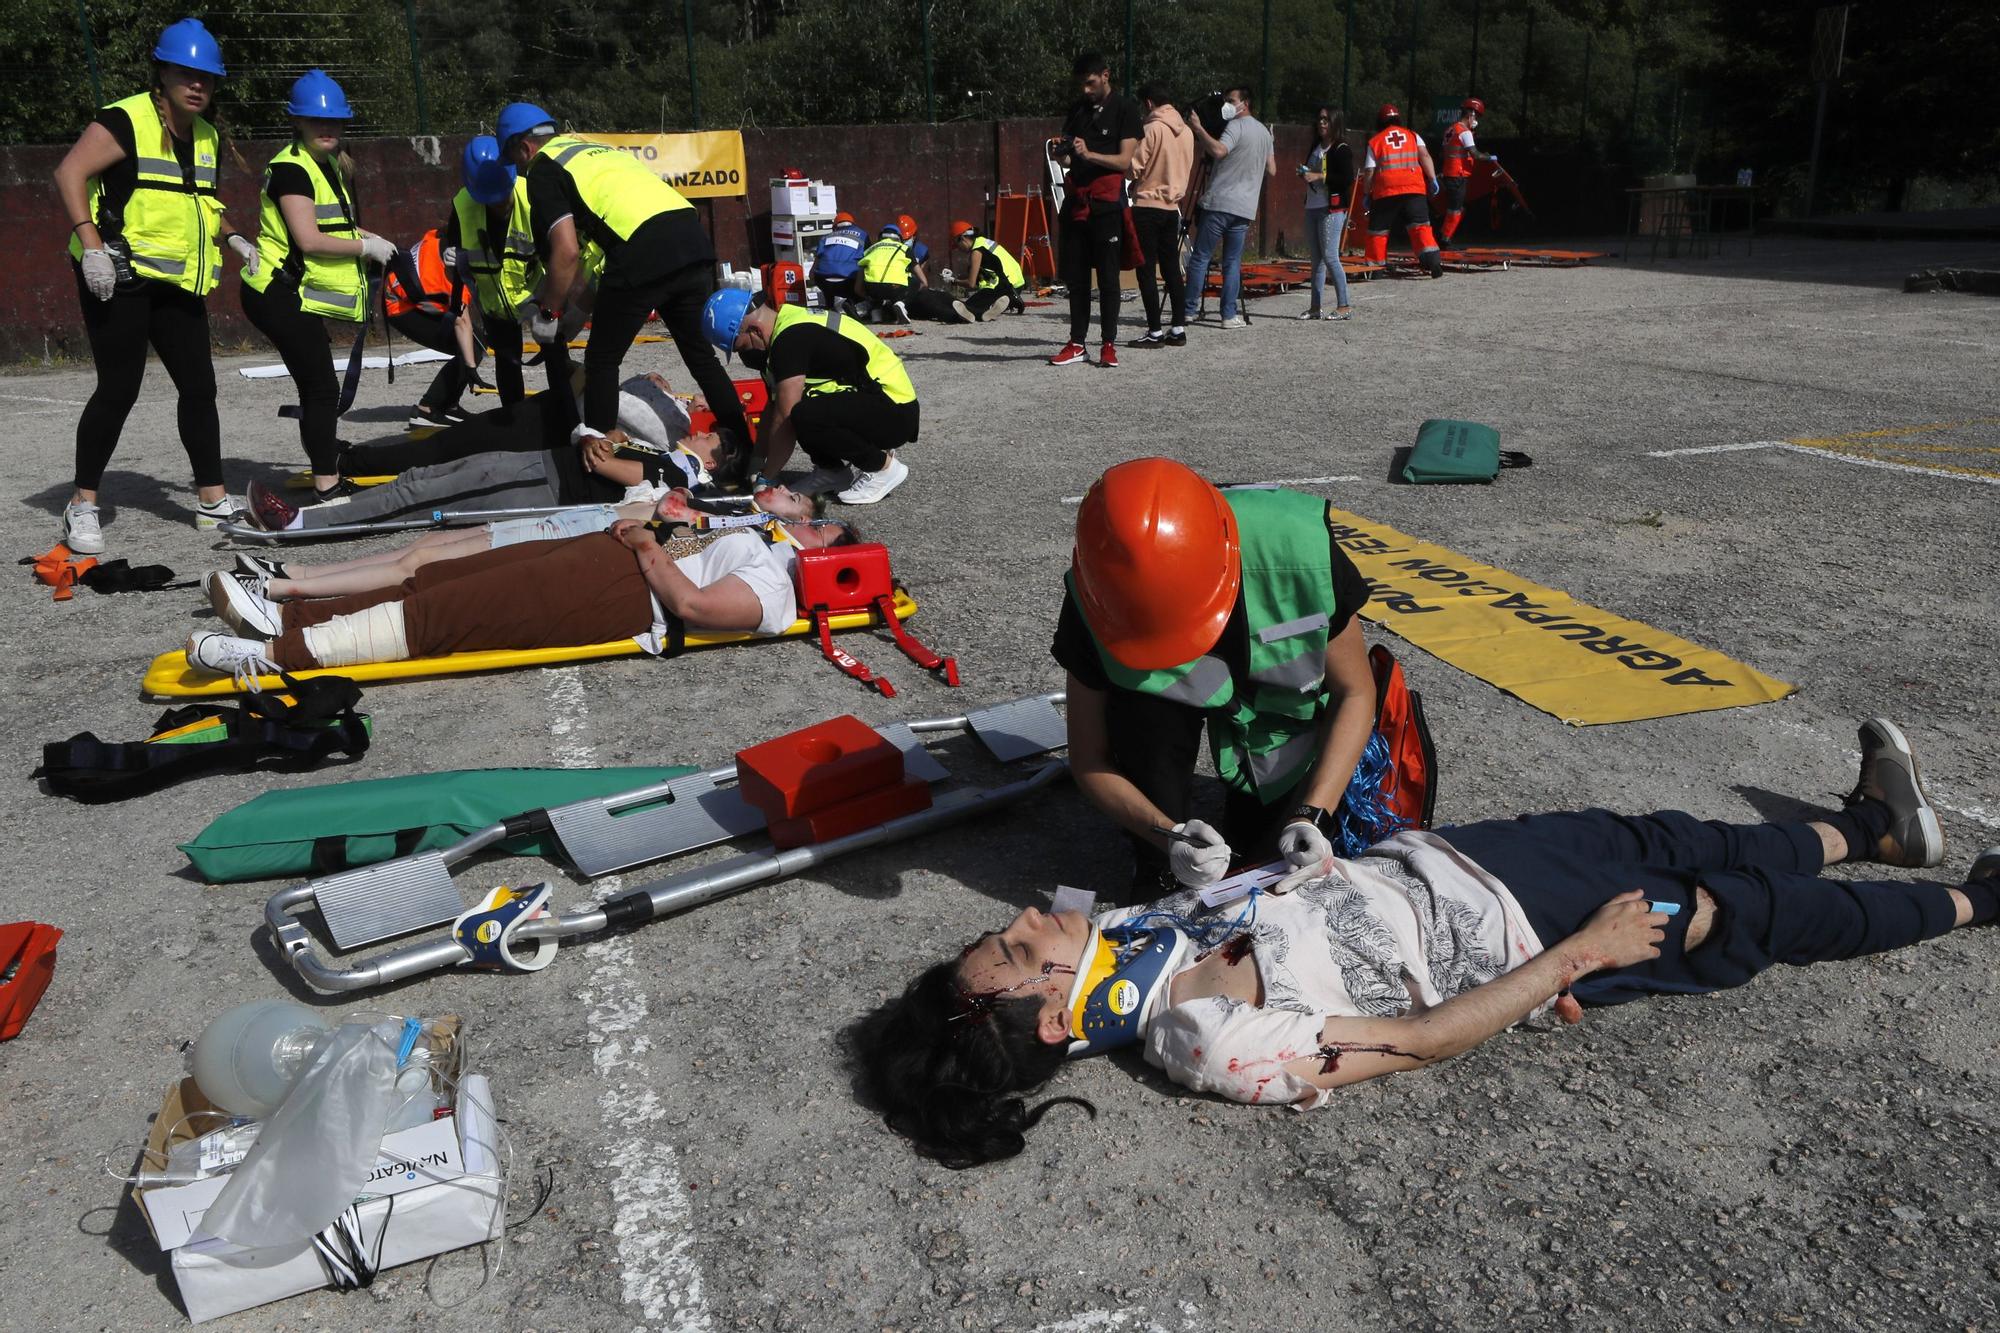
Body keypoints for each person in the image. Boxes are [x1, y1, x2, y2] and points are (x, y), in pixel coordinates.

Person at [854, 720, 1994, 1168]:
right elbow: (1420, 1037)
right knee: (1749, 918)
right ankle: (1978, 905)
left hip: (1457, 859)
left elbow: (1263, 902)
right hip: (1525, 930)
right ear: (1054, 1014)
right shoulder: (1205, 1041)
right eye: (1010, 949)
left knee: (1677, 834)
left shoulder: (1120, 935)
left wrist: (1279, 856)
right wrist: (1573, 958)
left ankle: (1871, 828)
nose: (1018, 922)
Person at [1053, 458, 1378, 903]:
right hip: (1155, 726)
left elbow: (1355, 692)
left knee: (1270, 868)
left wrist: (1312, 814)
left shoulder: (1301, 551)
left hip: (1281, 732)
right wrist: (1167, 836)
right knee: (1176, 871)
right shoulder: (1093, 598)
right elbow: (1089, 759)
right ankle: (1159, 853)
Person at [186, 514, 860, 682]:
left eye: (816, 530)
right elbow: (697, 561)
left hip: (620, 594)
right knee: (440, 581)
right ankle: (288, 610)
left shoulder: (776, 589)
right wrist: (653, 534)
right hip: (612, 559)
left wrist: (649, 547)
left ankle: (277, 652)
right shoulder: (767, 552)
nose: (803, 529)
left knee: (445, 617)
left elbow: (698, 608)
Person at [52, 18, 254, 551]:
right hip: (117, 274)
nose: (197, 85)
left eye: (207, 78)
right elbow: (69, 174)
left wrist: (234, 238)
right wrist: (89, 244)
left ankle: (212, 501)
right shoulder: (126, 119)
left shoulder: (206, 135)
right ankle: (83, 504)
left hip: (176, 280)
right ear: (162, 74)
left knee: (200, 386)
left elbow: (200, 203)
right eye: (186, 74)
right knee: (120, 387)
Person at [498, 103, 749, 444]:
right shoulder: (593, 152)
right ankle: (743, 450)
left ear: (524, 147)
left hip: (643, 250)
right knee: (701, 357)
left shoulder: (544, 168)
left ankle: (599, 461)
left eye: (515, 163)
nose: (520, 173)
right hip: (690, 239)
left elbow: (567, 252)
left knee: (602, 361)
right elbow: (591, 264)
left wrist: (547, 313)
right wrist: (575, 314)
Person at [211, 482, 818, 618]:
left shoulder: (751, 526)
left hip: (578, 537)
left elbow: (670, 524)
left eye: (798, 504)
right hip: (579, 521)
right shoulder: (737, 506)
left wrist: (670, 511)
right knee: (425, 549)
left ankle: (284, 589)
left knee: (422, 566)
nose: (787, 494)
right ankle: (288, 570)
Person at [239, 70, 399, 502]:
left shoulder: (323, 165)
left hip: (290, 289)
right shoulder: (292, 169)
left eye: (335, 121)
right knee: (322, 387)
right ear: (298, 122)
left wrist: (374, 241)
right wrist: (365, 247)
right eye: (317, 120)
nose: (327, 128)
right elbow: (309, 239)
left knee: (316, 384)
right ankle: (327, 484)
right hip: (275, 290)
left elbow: (335, 225)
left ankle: (324, 461)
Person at [242, 411, 748, 533]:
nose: (699, 430)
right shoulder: (670, 454)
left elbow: (611, 464)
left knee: (417, 498)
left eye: (708, 437)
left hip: (544, 483)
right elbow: (611, 441)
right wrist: (607, 441)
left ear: (710, 457)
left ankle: (298, 524)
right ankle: (315, 515)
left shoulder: (680, 468)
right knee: (416, 480)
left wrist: (606, 447)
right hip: (541, 465)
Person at [705, 289, 919, 507]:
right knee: (802, 408)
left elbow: (784, 417)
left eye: (741, 347)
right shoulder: (784, 327)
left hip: (895, 410)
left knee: (803, 413)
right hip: (876, 402)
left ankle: (883, 468)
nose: (745, 356)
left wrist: (766, 479)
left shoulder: (790, 341)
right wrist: (757, 461)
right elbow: (773, 407)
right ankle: (832, 472)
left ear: (755, 330)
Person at [332, 370, 701, 477]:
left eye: (712, 435)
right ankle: (349, 459)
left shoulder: (670, 434)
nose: (705, 429)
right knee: (440, 448)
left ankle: (348, 462)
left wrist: (641, 383)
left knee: (438, 452)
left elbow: (607, 389)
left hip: (540, 430)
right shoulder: (673, 413)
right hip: (542, 415)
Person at [1048, 52, 1141, 368]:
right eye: (1081, 85)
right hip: (1077, 203)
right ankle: (1077, 342)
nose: (1086, 91)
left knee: (1108, 277)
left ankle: (1109, 343)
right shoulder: (1078, 110)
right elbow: (1072, 158)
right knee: (1076, 278)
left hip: (1107, 204)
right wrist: (1063, 158)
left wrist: (1089, 153)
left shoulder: (1125, 109)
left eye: (1090, 83)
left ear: (1105, 75)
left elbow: (1125, 162)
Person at [1181, 84, 1276, 332]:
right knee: (1232, 262)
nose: (1227, 105)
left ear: (1245, 103)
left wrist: (1199, 128)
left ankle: (1188, 310)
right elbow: (1272, 169)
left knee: (1201, 257)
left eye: (1231, 100)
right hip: (1244, 207)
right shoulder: (1265, 133)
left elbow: (1219, 150)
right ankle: (1228, 314)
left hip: (1220, 202)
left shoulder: (1234, 126)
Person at [381, 224, 476, 429]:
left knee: (474, 344)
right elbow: (462, 322)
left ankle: (449, 404)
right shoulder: (448, 283)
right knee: (472, 349)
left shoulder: (438, 238)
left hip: (406, 294)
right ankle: (427, 409)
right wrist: (471, 368)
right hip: (401, 309)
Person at [1125, 84, 1194, 348]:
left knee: (1145, 269)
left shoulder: (1152, 129)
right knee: (1171, 269)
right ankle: (1177, 327)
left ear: (1149, 103)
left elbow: (1133, 167)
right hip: (1171, 208)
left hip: (1147, 205)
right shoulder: (1186, 132)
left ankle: (1154, 330)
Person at [1357, 103, 1443, 278]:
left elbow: (1369, 170)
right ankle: (1433, 261)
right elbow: (1425, 156)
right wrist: (1433, 178)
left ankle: (1375, 268)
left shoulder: (1376, 141)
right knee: (1421, 227)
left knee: (1378, 231)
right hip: (1414, 189)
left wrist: (1367, 193)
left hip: (1386, 192)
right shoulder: (1413, 135)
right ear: (1398, 119)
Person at [856, 217, 971, 325]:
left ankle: (967, 309)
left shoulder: (872, 250)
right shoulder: (904, 249)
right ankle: (959, 315)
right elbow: (921, 282)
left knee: (939, 296)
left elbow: (859, 286)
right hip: (904, 294)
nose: (905, 241)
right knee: (930, 304)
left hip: (893, 294)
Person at [1298, 106, 1355, 321]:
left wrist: (1319, 177)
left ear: (1335, 122)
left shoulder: (1341, 148)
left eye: (1326, 119)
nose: (1321, 123)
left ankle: (1344, 305)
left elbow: (1346, 179)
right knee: (1316, 260)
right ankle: (1315, 307)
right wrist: (1304, 173)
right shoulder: (1316, 145)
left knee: (1331, 257)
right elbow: (1312, 171)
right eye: (1320, 119)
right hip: (1312, 206)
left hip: (1331, 208)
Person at [1436, 97, 1497, 244]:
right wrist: (1489, 157)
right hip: (1458, 174)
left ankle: (1444, 236)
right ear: (1471, 114)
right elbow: (1475, 154)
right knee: (1456, 209)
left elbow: (1442, 153)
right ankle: (1445, 239)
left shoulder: (1450, 129)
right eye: (1477, 116)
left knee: (1456, 208)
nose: (1477, 120)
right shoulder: (1465, 132)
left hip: (1449, 173)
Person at [948, 221, 1027, 320]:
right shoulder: (983, 242)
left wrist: (954, 281)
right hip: (1016, 284)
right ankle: (1009, 301)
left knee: (969, 305)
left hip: (1005, 284)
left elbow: (971, 283)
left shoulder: (976, 251)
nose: (959, 250)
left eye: (957, 245)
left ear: (962, 238)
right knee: (982, 296)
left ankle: (982, 311)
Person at [810, 211, 869, 309]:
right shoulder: (863, 235)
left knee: (827, 275)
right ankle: (852, 302)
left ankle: (829, 305)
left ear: (835, 227)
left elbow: (812, 272)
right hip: (849, 282)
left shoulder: (825, 238)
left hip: (823, 281)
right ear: (853, 224)